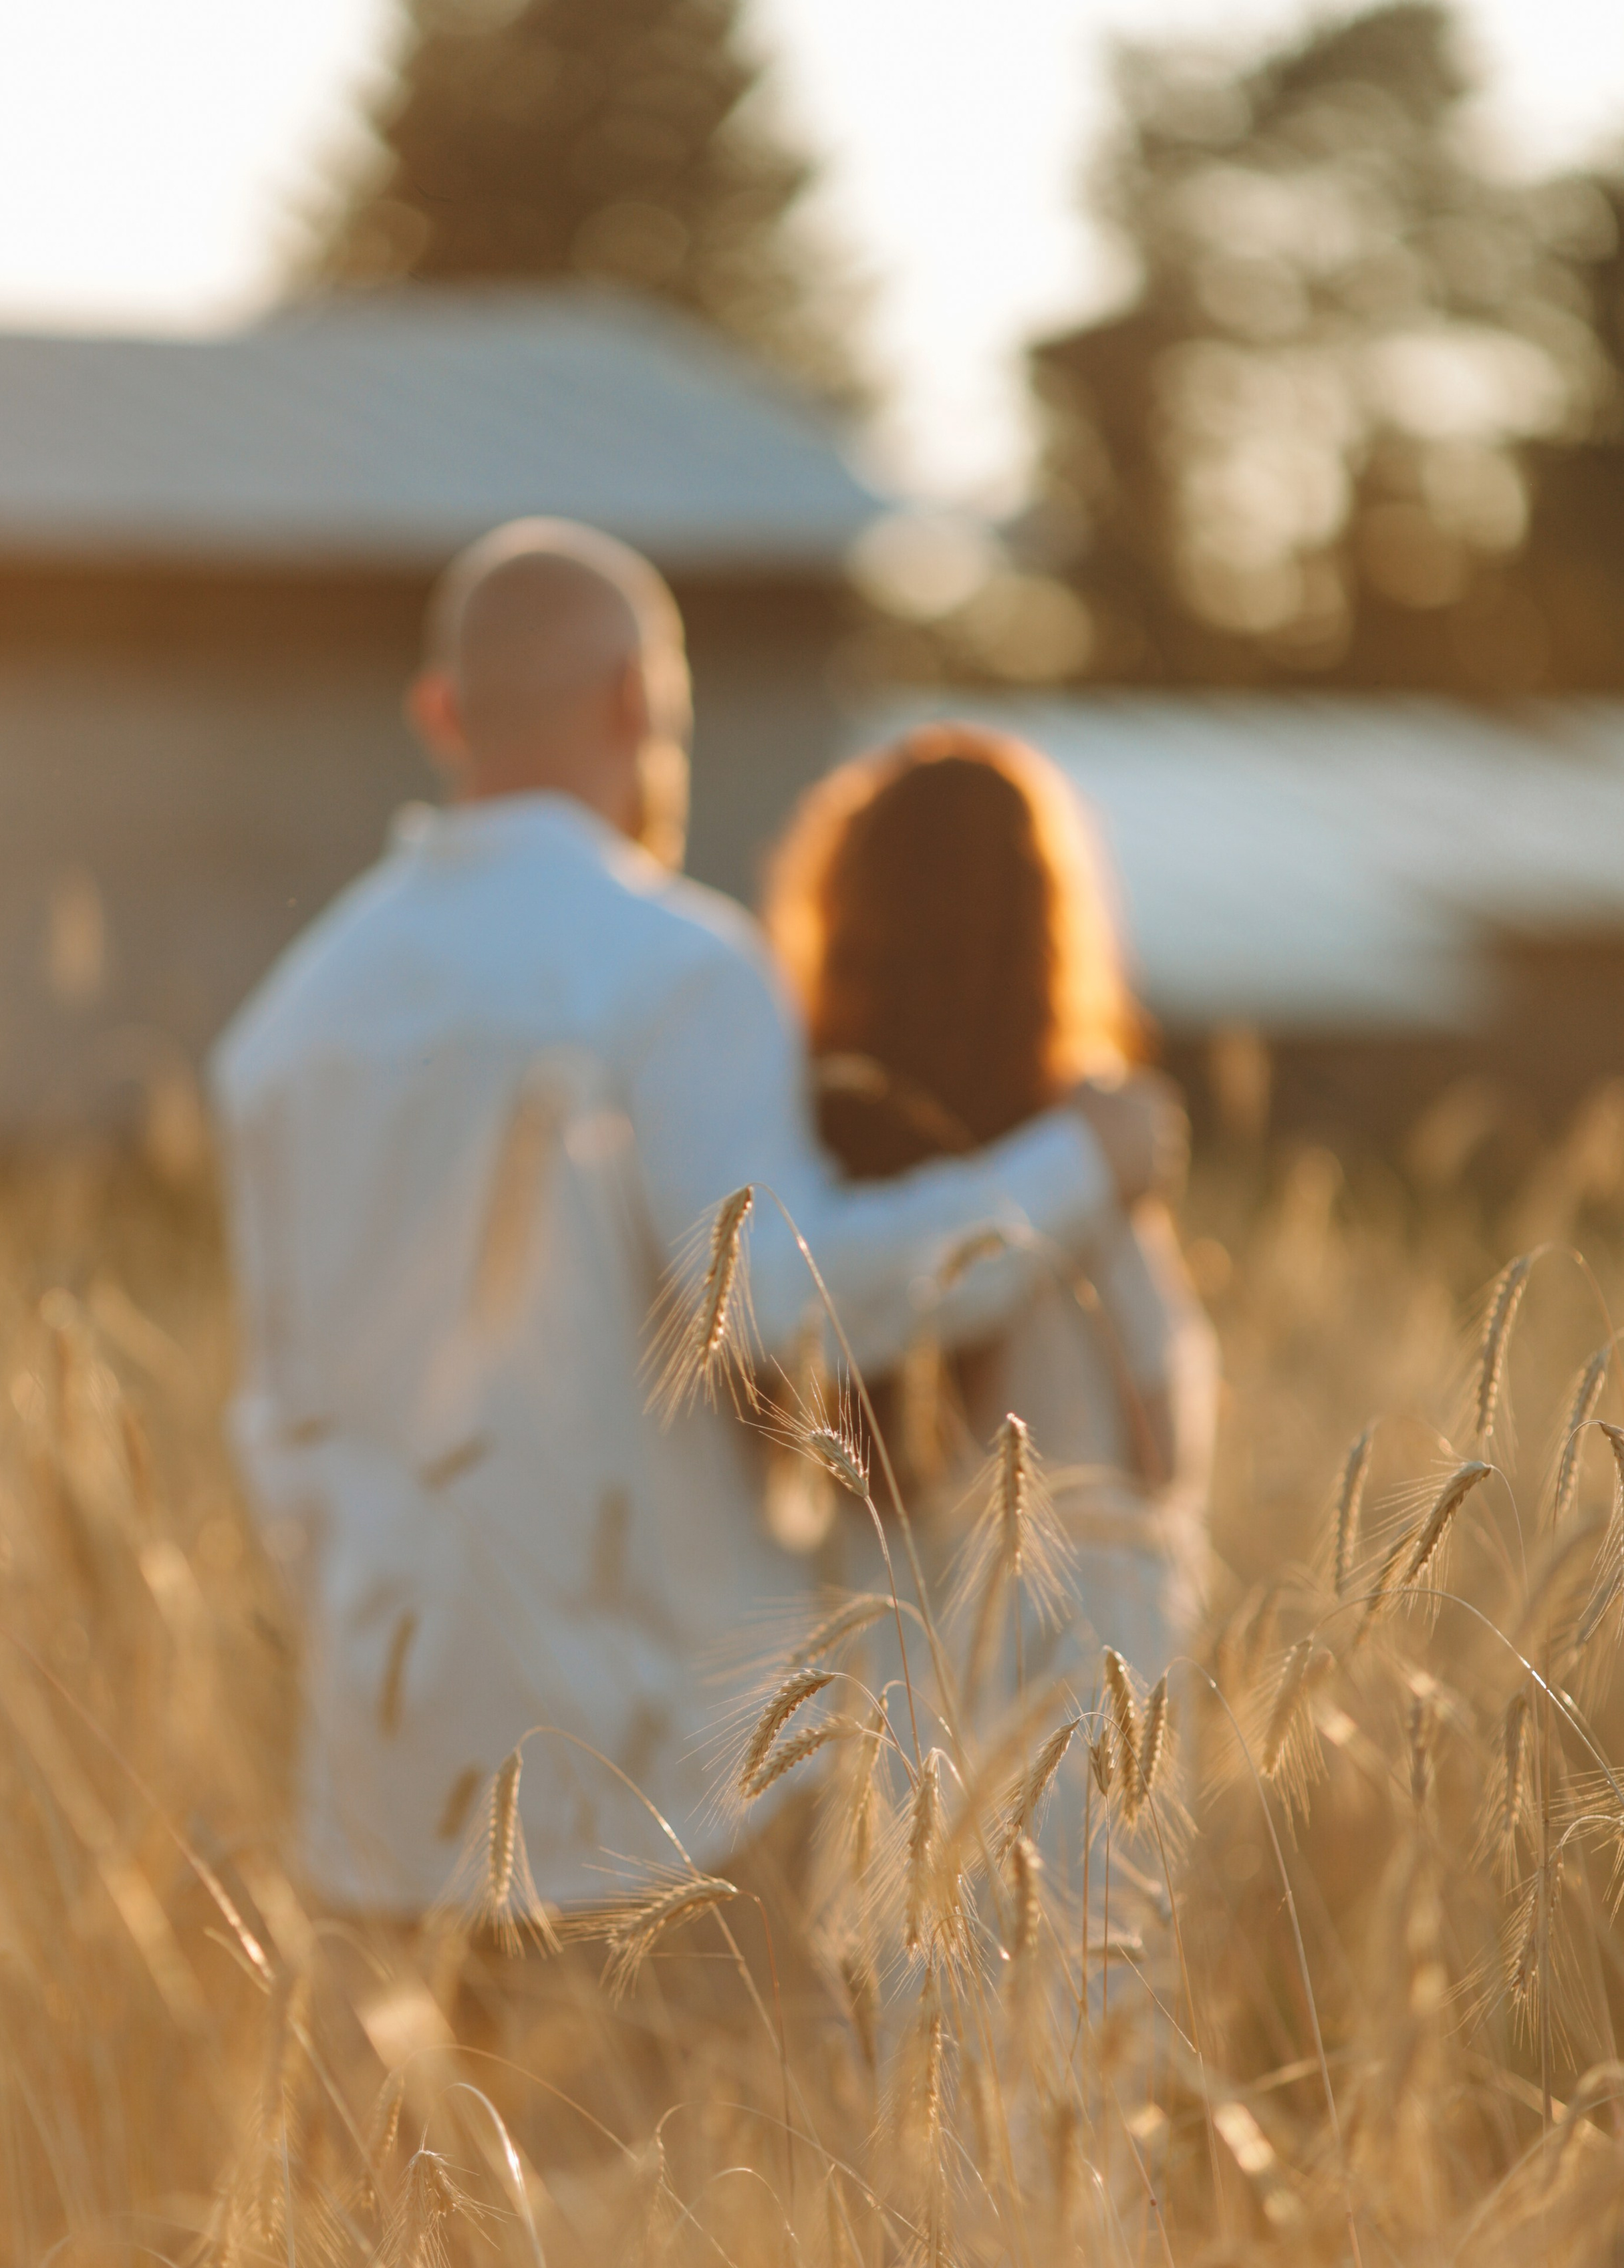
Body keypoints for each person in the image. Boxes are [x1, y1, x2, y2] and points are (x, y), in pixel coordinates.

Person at [209, 523, 1185, 1917]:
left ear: (440, 714)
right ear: (631, 703)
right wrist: (1076, 1166)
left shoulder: (287, 1027)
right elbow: (792, 1303)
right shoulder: (678, 968)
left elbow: (279, 1422)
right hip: (664, 1794)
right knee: (692, 2138)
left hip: (377, 1809)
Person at [763, 724, 1217, 1701]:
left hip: (865, 1723)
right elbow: (1168, 1451)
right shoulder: (1088, 1152)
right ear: (1045, 924)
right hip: (1073, 1713)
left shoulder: (803, 1153)